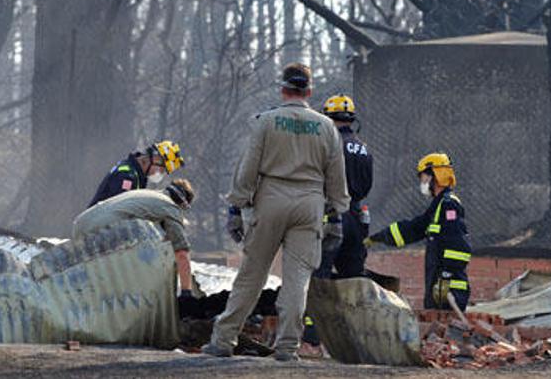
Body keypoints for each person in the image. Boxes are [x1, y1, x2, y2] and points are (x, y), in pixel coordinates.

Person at [202, 62, 350, 362]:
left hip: (270, 200)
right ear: (309, 91)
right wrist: (336, 211)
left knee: (252, 274)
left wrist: (237, 205)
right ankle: (287, 347)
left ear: (283, 89)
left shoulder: (266, 122)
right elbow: (337, 177)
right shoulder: (326, 127)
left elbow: (248, 167)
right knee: (298, 280)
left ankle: (223, 340)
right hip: (309, 203)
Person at [364, 153, 471, 311]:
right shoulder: (437, 206)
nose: (422, 182)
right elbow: (413, 229)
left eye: (424, 177)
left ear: (436, 175)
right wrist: (378, 237)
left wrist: (447, 276)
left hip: (450, 288)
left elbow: (458, 245)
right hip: (439, 285)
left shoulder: (449, 205)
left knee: (446, 324)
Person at [73, 178, 195, 294]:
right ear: (183, 203)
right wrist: (186, 293)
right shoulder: (171, 207)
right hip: (103, 232)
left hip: (80, 225)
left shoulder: (147, 194)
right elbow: (182, 254)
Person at [316, 94, 374, 279]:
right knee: (353, 276)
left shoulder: (328, 145)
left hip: (331, 215)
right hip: (356, 218)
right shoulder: (363, 148)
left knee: (319, 273)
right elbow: (366, 185)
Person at [88, 140, 184, 207]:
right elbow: (119, 212)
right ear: (155, 159)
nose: (160, 174)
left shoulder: (136, 176)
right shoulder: (126, 176)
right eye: (162, 170)